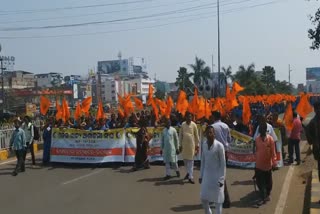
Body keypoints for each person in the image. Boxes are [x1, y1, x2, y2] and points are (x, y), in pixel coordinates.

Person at [199, 126, 226, 214]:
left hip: (217, 177)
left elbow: (223, 164)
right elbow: (203, 161)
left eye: (211, 132)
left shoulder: (219, 146)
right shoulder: (204, 144)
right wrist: (201, 175)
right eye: (208, 133)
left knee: (218, 202)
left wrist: (221, 179)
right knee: (204, 198)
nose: (209, 134)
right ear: (205, 134)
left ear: (214, 134)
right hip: (206, 176)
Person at [210, 111, 231, 208]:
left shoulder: (212, 127)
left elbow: (210, 141)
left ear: (214, 117)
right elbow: (229, 140)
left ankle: (225, 199)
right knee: (220, 175)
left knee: (218, 176)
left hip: (216, 153)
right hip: (225, 152)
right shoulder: (226, 126)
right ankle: (219, 198)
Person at [254, 122, 277, 206]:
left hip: (268, 165)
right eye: (261, 129)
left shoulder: (270, 139)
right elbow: (255, 151)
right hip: (259, 165)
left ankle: (267, 193)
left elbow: (273, 152)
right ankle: (263, 196)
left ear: (265, 130)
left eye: (263, 129)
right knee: (260, 182)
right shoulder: (256, 139)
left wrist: (274, 163)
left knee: (268, 182)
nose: (262, 131)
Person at [179, 112, 200, 184]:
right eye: (188, 117)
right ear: (185, 117)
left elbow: (197, 136)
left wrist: (197, 146)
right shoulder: (183, 124)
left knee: (191, 161)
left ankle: (191, 177)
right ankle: (188, 173)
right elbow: (180, 136)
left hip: (191, 146)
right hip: (184, 146)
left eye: (190, 117)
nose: (189, 118)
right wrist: (180, 145)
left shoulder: (194, 125)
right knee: (185, 161)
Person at [306, 101, 320, 181]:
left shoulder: (312, 122)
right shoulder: (312, 122)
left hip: (317, 149)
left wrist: (312, 142)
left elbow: (308, 134)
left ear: (314, 109)